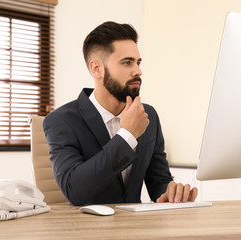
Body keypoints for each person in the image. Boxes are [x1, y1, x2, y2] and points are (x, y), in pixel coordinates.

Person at [43, 21, 198, 206]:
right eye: (127, 62)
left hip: (137, 229)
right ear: (96, 68)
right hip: (88, 230)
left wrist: (172, 193)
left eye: (138, 62)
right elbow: (74, 191)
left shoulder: (148, 115)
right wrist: (127, 135)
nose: (138, 71)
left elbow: (158, 182)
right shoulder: (61, 121)